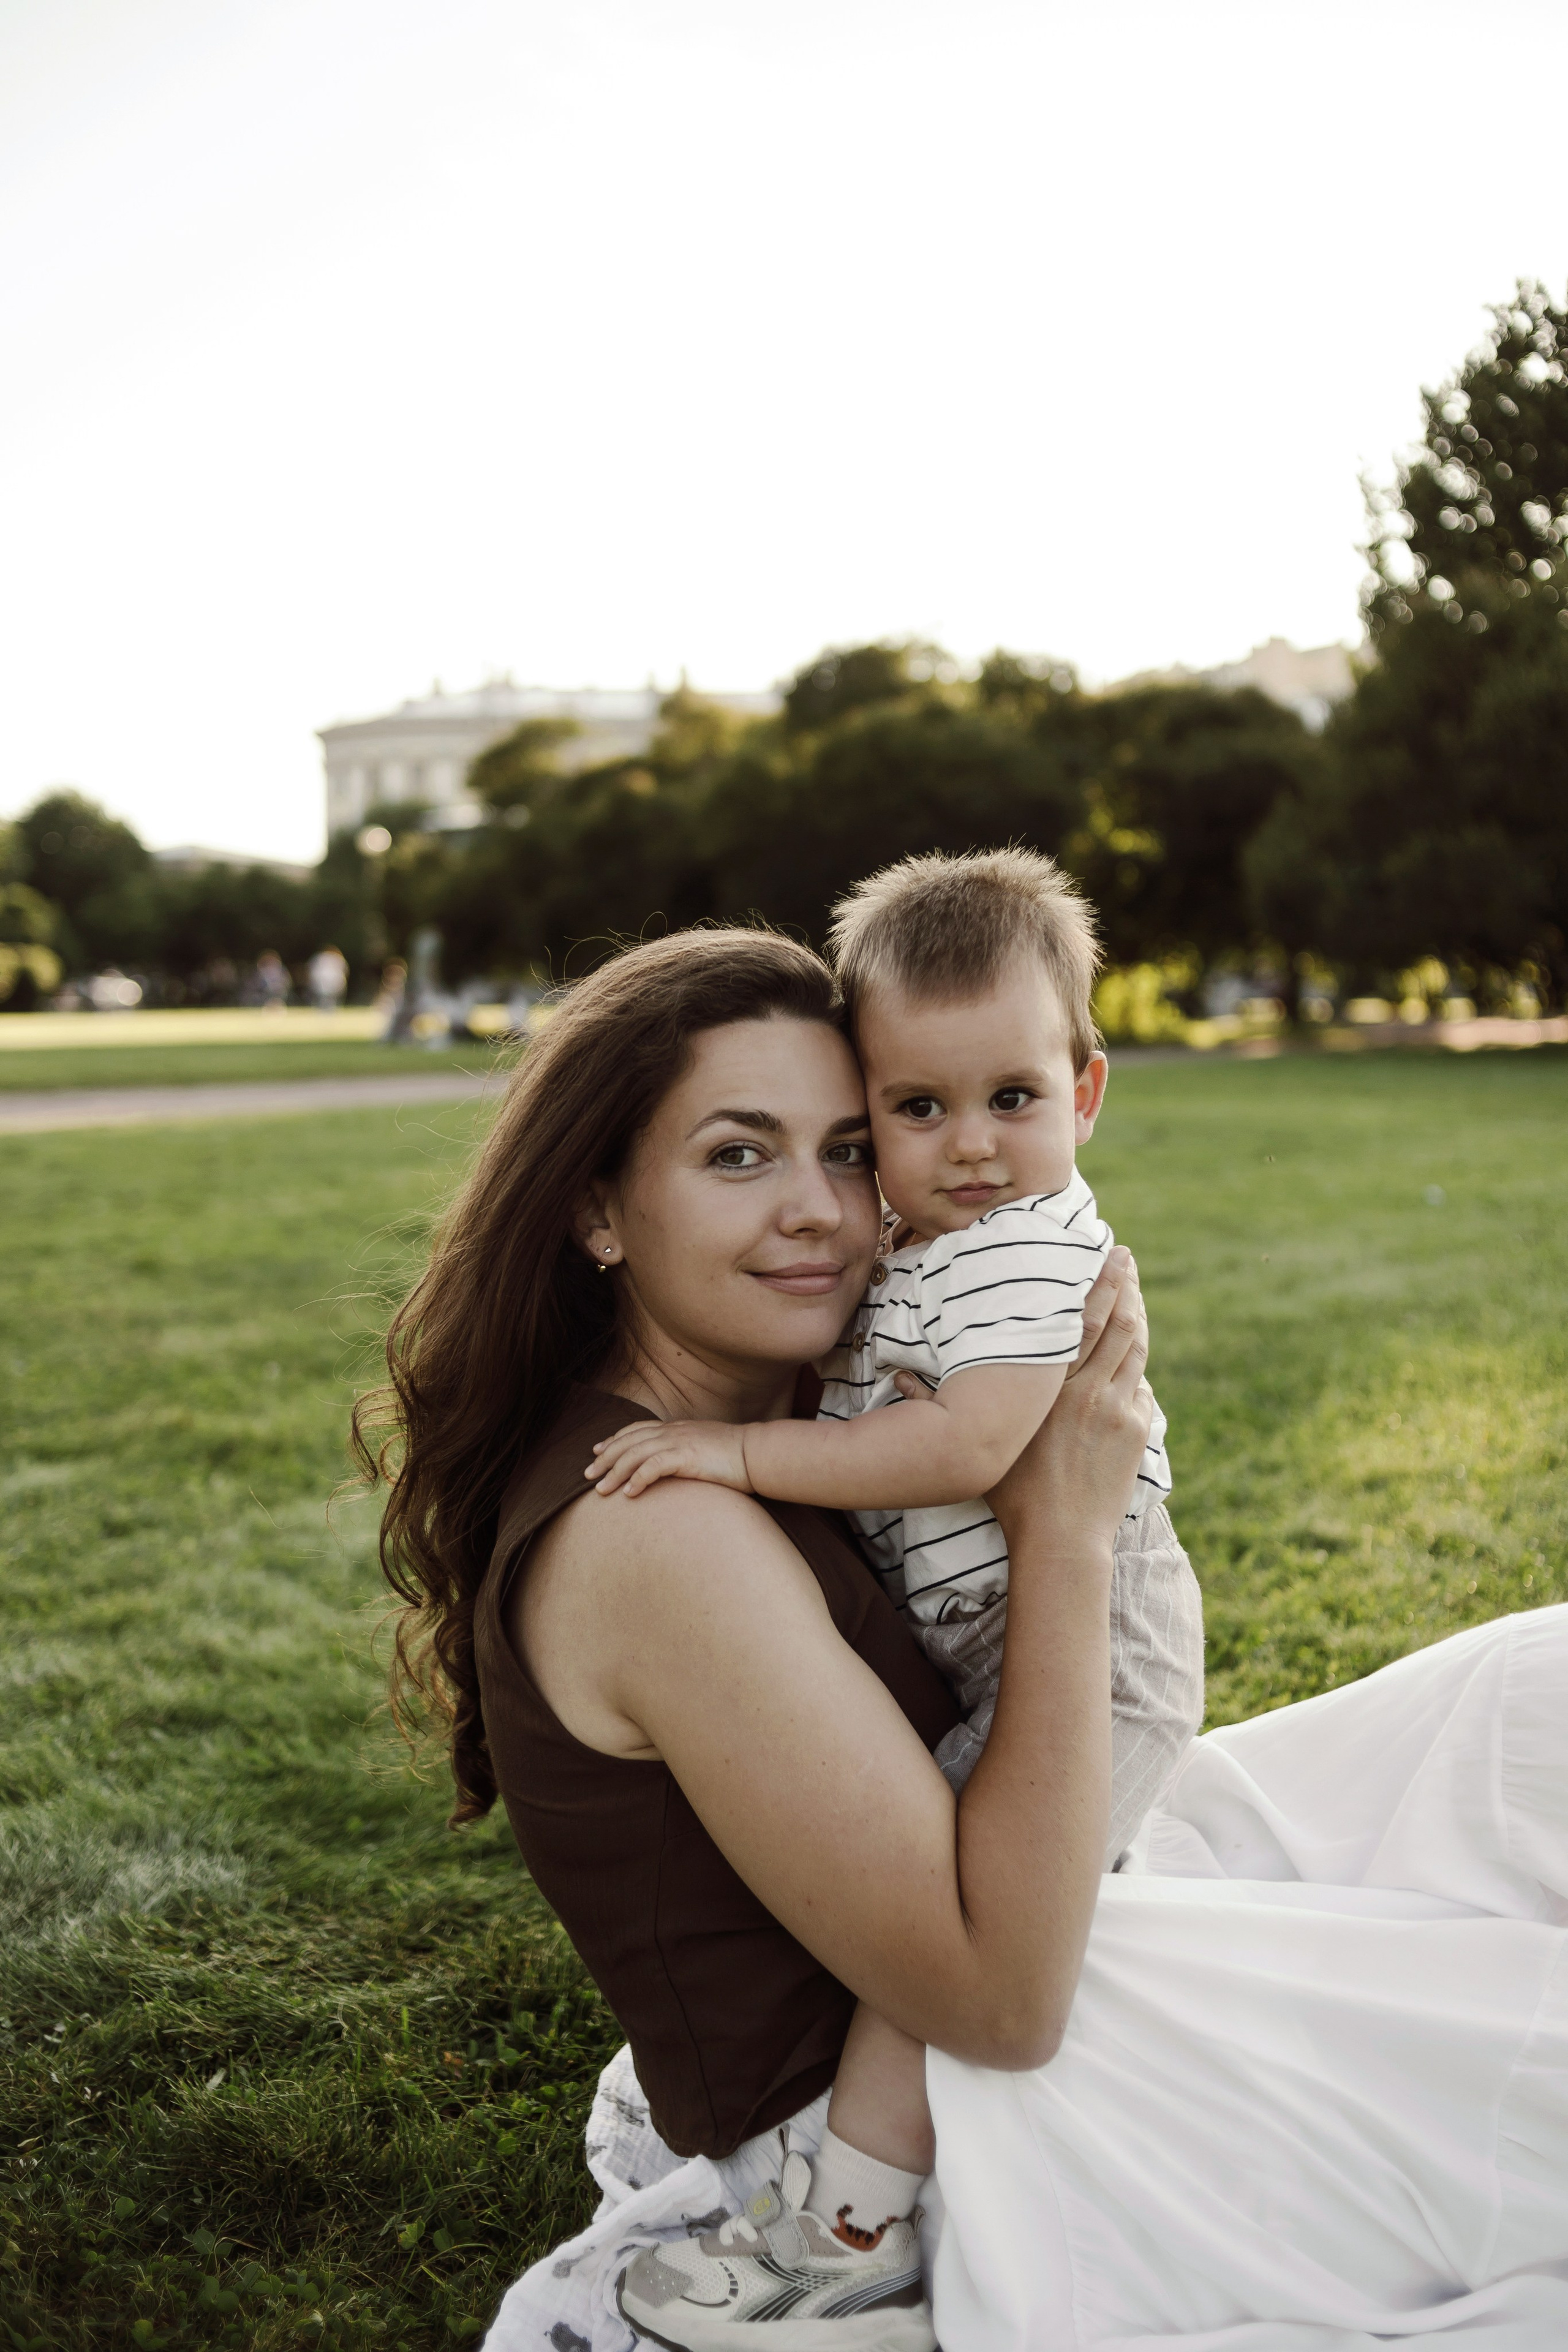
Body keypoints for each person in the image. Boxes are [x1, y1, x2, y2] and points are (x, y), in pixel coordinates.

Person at [357, 921, 1568, 2352]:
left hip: (1012, 1910)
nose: (819, 1208)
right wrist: (1063, 1523)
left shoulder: (787, 1414)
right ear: (600, 1210)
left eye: (849, 1149)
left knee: (1523, 1689)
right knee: (1506, 2049)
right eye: (738, 1155)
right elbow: (996, 1999)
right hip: (946, 2125)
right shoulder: (660, 1528)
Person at [587, 851, 1201, 2244]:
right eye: (910, 1112)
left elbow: (965, 1451)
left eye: (1011, 1098)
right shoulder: (924, 1253)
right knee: (962, 1915)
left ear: (1083, 1092)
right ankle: (847, 2221)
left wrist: (736, 1449)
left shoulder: (1014, 1248)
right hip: (1022, 1629)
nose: (970, 1144)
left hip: (1099, 1647)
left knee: (970, 1916)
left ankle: (836, 2239)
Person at [307, 943, 349, 1011]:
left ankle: (323, 1008)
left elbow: (312, 971)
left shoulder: (319, 958)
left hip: (323, 983)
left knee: (324, 997)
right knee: (329, 998)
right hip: (333, 983)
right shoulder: (338, 958)